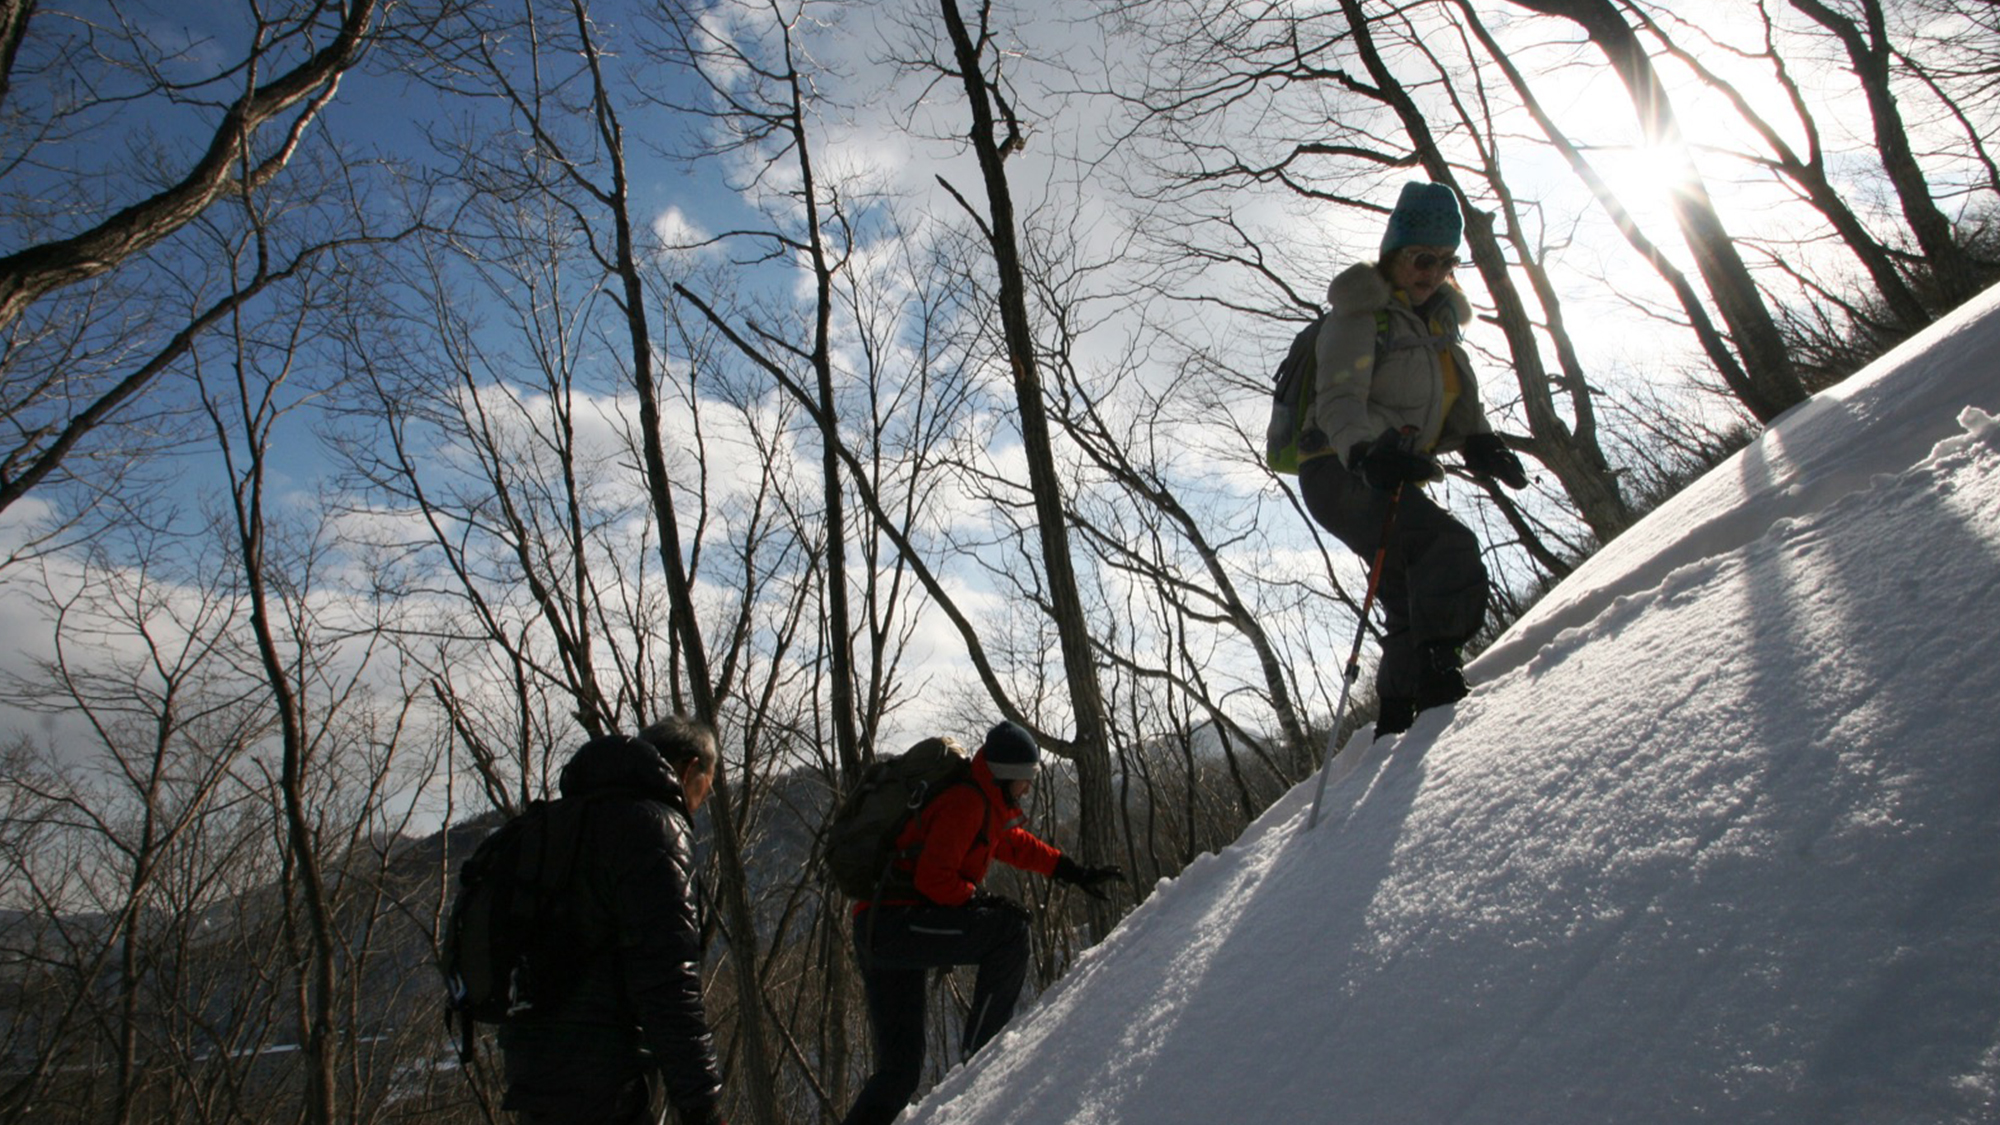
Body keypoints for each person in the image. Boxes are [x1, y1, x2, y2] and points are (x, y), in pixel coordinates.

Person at [1295, 181, 1529, 735]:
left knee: (1406, 589)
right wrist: (1365, 452)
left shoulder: (1439, 325)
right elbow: (1339, 400)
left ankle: (1397, 722)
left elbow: (1447, 405)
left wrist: (1478, 441)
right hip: (1338, 466)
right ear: (1395, 255)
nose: (1433, 272)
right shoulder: (1359, 314)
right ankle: (1435, 681)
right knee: (1444, 546)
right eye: (1423, 258)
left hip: (1389, 467)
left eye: (1447, 261)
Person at [839, 720, 1125, 1125]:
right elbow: (933, 879)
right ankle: (981, 1064)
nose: (1028, 788)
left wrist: (1071, 871)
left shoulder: (983, 803)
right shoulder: (966, 803)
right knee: (1009, 933)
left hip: (881, 927)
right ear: (1006, 777)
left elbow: (1012, 844)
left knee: (900, 1071)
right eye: (1025, 779)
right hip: (894, 924)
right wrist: (979, 899)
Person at [499, 716, 729, 1125]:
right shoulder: (655, 828)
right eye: (704, 790)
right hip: (606, 1075)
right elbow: (668, 978)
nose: (698, 803)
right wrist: (700, 1103)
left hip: (530, 1066)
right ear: (691, 768)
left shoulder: (559, 822)